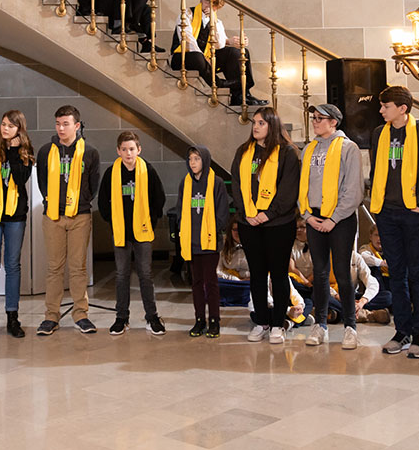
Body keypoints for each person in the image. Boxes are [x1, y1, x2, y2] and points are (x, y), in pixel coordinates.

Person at [369, 84, 419, 359]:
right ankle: (402, 331)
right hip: (386, 212)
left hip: (411, 212)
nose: (380, 110)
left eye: (385, 106)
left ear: (403, 108)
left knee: (417, 274)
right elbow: (376, 169)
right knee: (395, 274)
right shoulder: (379, 133)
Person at [231, 106, 301, 343]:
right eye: (254, 122)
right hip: (249, 223)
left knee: (279, 275)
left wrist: (268, 214)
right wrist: (246, 212)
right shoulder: (244, 152)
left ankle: (278, 324)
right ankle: (261, 322)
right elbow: (236, 184)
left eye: (261, 123)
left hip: (278, 224)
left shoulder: (287, 153)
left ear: (272, 125)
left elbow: (289, 189)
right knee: (257, 275)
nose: (256, 127)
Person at [299, 102, 365, 349]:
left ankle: (350, 327)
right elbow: (302, 185)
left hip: (341, 219)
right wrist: (307, 215)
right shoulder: (309, 149)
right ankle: (320, 325)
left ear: (334, 122)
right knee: (319, 273)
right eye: (314, 118)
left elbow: (353, 189)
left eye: (320, 118)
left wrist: (334, 219)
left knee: (342, 273)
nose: (315, 121)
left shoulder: (349, 148)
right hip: (314, 217)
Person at [35, 105, 101, 335]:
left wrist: (80, 201)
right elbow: (42, 182)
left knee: (78, 268)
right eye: (58, 124)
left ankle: (81, 314)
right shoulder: (46, 151)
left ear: (77, 126)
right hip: (53, 216)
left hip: (80, 216)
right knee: (54, 268)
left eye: (65, 124)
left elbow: (93, 185)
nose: (61, 128)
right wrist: (53, 202)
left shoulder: (90, 152)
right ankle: (51, 316)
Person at [98, 131, 166, 335]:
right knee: (121, 275)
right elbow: (103, 202)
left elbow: (159, 198)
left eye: (132, 149)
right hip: (121, 232)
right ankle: (121, 317)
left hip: (142, 231)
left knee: (145, 274)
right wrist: (113, 222)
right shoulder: (112, 173)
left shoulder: (148, 170)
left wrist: (151, 221)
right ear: (118, 151)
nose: (128, 153)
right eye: (124, 149)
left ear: (139, 150)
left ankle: (152, 317)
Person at [0, 109, 34, 340]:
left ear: (19, 129)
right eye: (3, 124)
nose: (5, 129)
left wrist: (13, 151)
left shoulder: (25, 151)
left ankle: (13, 317)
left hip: (15, 216)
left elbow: (21, 179)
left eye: (11, 126)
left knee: (12, 266)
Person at [170, 0, 265, 107]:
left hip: (205, 59)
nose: (208, 6)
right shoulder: (187, 14)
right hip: (182, 57)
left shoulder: (217, 21)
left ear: (218, 7)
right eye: (206, 1)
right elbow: (188, 41)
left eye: (213, 4)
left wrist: (214, 22)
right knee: (197, 57)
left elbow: (219, 44)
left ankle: (241, 94)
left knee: (237, 53)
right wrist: (204, 58)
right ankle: (218, 83)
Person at [175, 144, 228, 338]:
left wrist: (213, 230)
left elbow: (222, 212)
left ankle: (214, 320)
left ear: (204, 160)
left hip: (210, 242)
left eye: (196, 159)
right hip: (192, 242)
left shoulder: (216, 182)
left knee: (210, 282)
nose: (193, 163)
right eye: (190, 159)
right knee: (196, 283)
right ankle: (199, 320)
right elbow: (180, 210)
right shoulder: (185, 183)